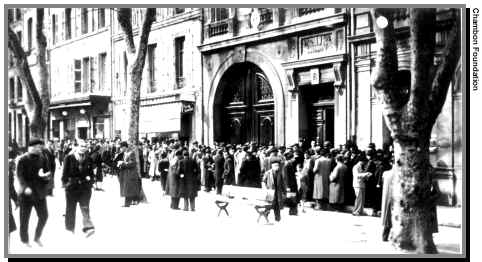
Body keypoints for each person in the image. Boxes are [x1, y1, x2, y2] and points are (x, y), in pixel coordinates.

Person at [15, 139, 51, 247]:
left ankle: (37, 237)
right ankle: (25, 240)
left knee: (44, 216)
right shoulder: (22, 159)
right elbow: (20, 176)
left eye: (40, 147)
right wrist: (25, 187)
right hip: (26, 194)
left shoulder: (43, 158)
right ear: (31, 148)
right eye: (38, 147)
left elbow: (47, 173)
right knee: (24, 219)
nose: (40, 149)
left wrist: (45, 176)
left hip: (39, 193)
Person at [61, 140, 95, 237]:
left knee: (85, 207)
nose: (83, 148)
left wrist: (90, 182)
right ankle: (69, 229)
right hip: (72, 188)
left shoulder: (88, 158)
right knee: (70, 209)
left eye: (85, 146)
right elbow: (64, 174)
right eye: (81, 146)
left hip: (85, 188)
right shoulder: (69, 158)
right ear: (76, 147)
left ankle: (88, 228)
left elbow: (91, 173)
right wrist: (66, 184)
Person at [117, 142, 141, 207]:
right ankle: (128, 203)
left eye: (121, 147)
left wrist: (123, 163)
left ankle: (128, 203)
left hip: (130, 173)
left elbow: (132, 163)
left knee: (128, 189)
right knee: (127, 189)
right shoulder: (125, 153)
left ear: (125, 147)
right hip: (126, 173)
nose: (121, 149)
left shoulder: (131, 153)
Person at [262, 157, 286, 222]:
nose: (277, 167)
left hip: (277, 192)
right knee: (269, 205)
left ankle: (277, 218)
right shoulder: (268, 173)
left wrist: (284, 192)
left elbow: (283, 183)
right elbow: (263, 181)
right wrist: (265, 189)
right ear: (272, 166)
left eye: (278, 166)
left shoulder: (280, 173)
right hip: (270, 191)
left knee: (277, 205)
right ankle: (265, 215)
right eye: (275, 166)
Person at [381, 168, 394, 241]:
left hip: (387, 197)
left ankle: (385, 236)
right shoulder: (398, 174)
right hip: (395, 198)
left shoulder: (385, 173)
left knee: (387, 219)